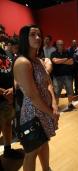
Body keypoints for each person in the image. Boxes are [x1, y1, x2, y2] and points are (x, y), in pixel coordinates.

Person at [13, 25, 59, 171]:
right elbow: (33, 97)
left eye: (39, 34)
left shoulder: (38, 61)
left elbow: (49, 83)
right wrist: (51, 112)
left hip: (45, 110)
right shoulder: (22, 62)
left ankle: (47, 168)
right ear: (24, 38)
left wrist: (55, 105)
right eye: (33, 35)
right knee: (31, 152)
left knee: (44, 142)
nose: (38, 38)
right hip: (32, 114)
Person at [0, 40, 24, 171]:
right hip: (3, 95)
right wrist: (3, 91)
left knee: (7, 124)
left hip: (7, 97)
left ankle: (7, 150)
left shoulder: (6, 53)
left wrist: (11, 89)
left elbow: (13, 73)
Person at [51, 40, 75, 111]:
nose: (61, 46)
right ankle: (56, 106)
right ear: (57, 45)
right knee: (57, 92)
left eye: (62, 44)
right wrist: (65, 59)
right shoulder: (53, 53)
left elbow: (71, 62)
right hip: (57, 76)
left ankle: (70, 104)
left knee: (70, 90)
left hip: (68, 75)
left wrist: (60, 61)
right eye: (59, 44)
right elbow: (55, 61)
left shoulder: (67, 52)